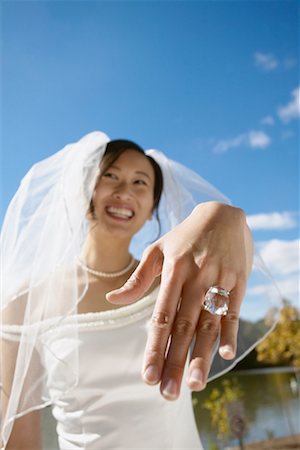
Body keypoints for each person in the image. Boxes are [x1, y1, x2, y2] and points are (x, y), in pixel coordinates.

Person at [0, 131, 277, 449]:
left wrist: (228, 219)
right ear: (83, 190)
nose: (123, 192)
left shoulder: (175, 283)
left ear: (152, 208)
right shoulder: (23, 301)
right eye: (110, 176)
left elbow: (236, 257)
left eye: (139, 183)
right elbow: (18, 438)